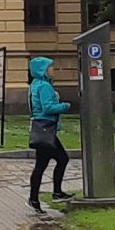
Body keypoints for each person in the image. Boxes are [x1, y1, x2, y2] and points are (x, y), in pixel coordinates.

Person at [26, 55, 73, 209]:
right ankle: (55, 193)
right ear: (42, 70)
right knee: (61, 159)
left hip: (41, 128)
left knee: (42, 164)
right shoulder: (44, 86)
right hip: (46, 128)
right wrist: (64, 106)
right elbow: (48, 107)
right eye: (49, 66)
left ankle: (35, 198)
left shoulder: (35, 84)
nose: (53, 69)